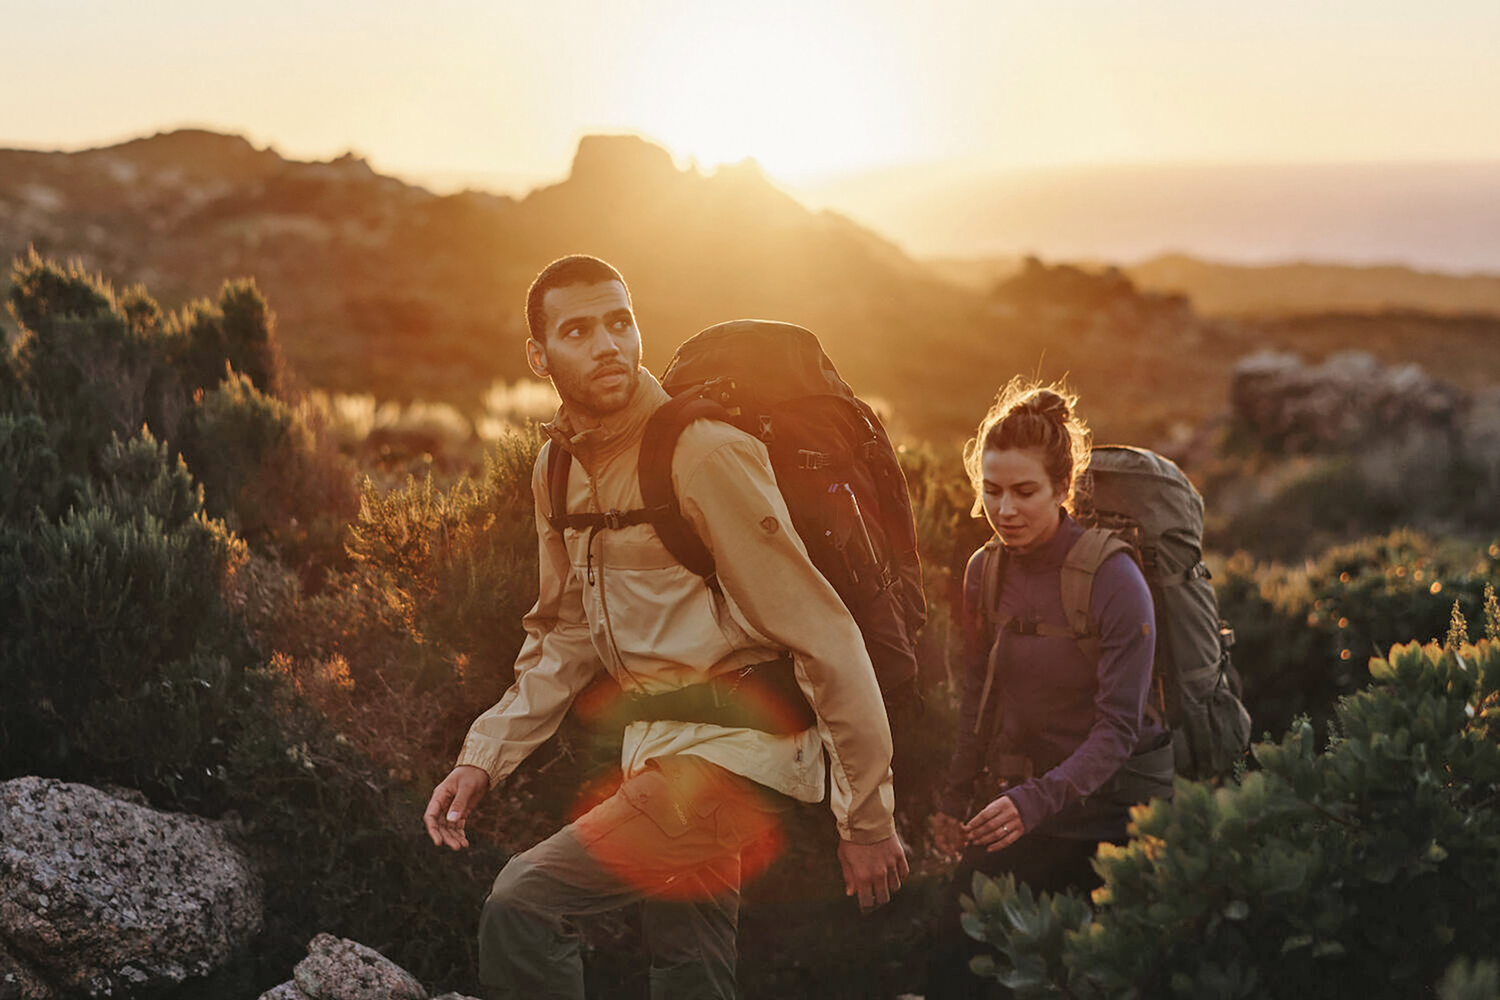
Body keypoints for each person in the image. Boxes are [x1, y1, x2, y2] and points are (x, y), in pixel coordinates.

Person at [422, 254, 908, 1000]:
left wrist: (867, 820)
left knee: (526, 904)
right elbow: (564, 637)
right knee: (690, 967)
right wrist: (484, 757)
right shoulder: (558, 470)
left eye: (619, 322)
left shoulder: (704, 452)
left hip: (737, 754)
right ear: (538, 356)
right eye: (578, 331)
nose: (608, 345)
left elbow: (823, 633)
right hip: (658, 751)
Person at [925, 379, 1170, 998]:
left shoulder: (1114, 579)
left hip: (1109, 818)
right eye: (992, 490)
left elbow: (1119, 730)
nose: (1005, 509)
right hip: (1023, 808)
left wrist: (1034, 802)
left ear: (1063, 487)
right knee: (950, 968)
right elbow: (979, 691)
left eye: (1025, 491)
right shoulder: (984, 571)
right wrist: (954, 798)